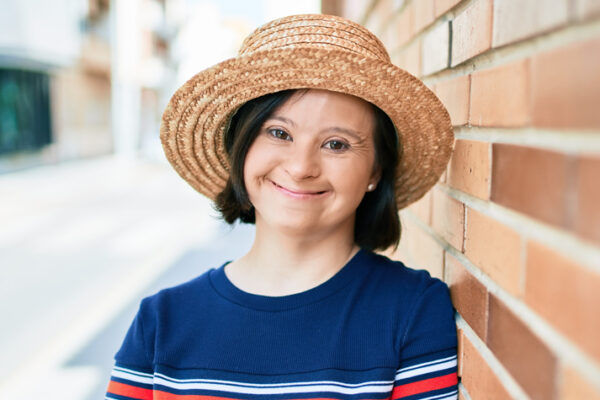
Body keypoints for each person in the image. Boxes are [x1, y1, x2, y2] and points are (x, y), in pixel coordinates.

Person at [106, 14, 458, 400]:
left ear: (376, 170)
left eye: (336, 143)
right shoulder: (161, 323)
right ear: (239, 149)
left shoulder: (413, 311)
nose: (300, 167)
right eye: (278, 133)